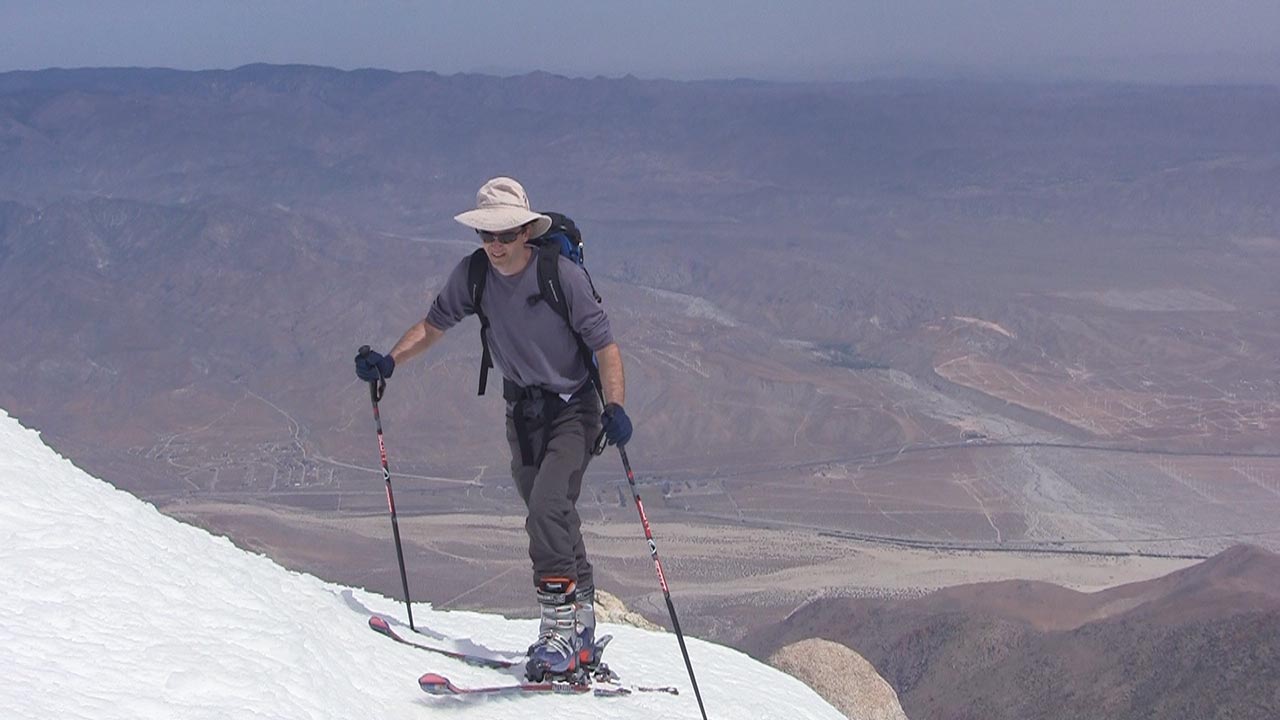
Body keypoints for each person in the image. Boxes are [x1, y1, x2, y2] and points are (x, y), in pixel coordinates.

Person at [355, 177, 632, 681]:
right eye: (486, 234)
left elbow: (606, 346)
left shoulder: (560, 276)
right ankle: (583, 627)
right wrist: (390, 362)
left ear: (528, 230)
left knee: (547, 506)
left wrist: (615, 405)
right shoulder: (475, 274)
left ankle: (557, 635)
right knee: (552, 513)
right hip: (521, 412)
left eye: (504, 233)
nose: (496, 244)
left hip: (574, 408)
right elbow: (432, 327)